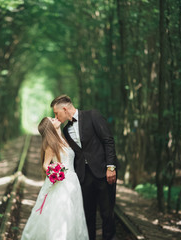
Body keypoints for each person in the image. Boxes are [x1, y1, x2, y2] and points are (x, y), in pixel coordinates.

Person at [51, 95, 118, 240]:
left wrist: (111, 167)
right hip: (83, 177)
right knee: (88, 216)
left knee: (107, 214)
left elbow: (108, 140)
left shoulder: (92, 115)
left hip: (103, 173)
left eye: (56, 113)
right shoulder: (66, 130)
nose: (56, 117)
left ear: (64, 109)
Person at [21, 117, 89, 240]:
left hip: (73, 181)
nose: (55, 118)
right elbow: (45, 164)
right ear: (50, 127)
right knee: (63, 213)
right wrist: (55, 173)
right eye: (52, 120)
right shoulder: (51, 144)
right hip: (62, 183)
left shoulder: (64, 139)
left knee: (74, 214)